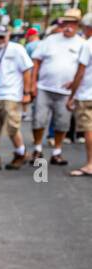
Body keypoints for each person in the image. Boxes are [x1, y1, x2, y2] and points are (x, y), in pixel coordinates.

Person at [30, 9, 87, 165]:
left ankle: (57, 151)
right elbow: (36, 61)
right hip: (44, 87)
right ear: (62, 24)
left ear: (77, 26)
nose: (69, 27)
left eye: (72, 24)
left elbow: (84, 68)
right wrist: (33, 83)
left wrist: (75, 82)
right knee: (38, 120)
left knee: (62, 123)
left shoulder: (82, 44)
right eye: (66, 23)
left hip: (66, 92)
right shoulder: (50, 40)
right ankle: (37, 148)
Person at [0, 24, 35, 169]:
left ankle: (20, 153)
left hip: (12, 94)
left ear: (8, 36)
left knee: (12, 127)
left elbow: (27, 70)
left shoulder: (17, 50)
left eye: (2, 37)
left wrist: (27, 92)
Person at [68, 25, 92, 172]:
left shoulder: (88, 45)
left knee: (89, 129)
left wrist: (71, 96)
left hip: (87, 95)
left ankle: (91, 164)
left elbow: (80, 73)